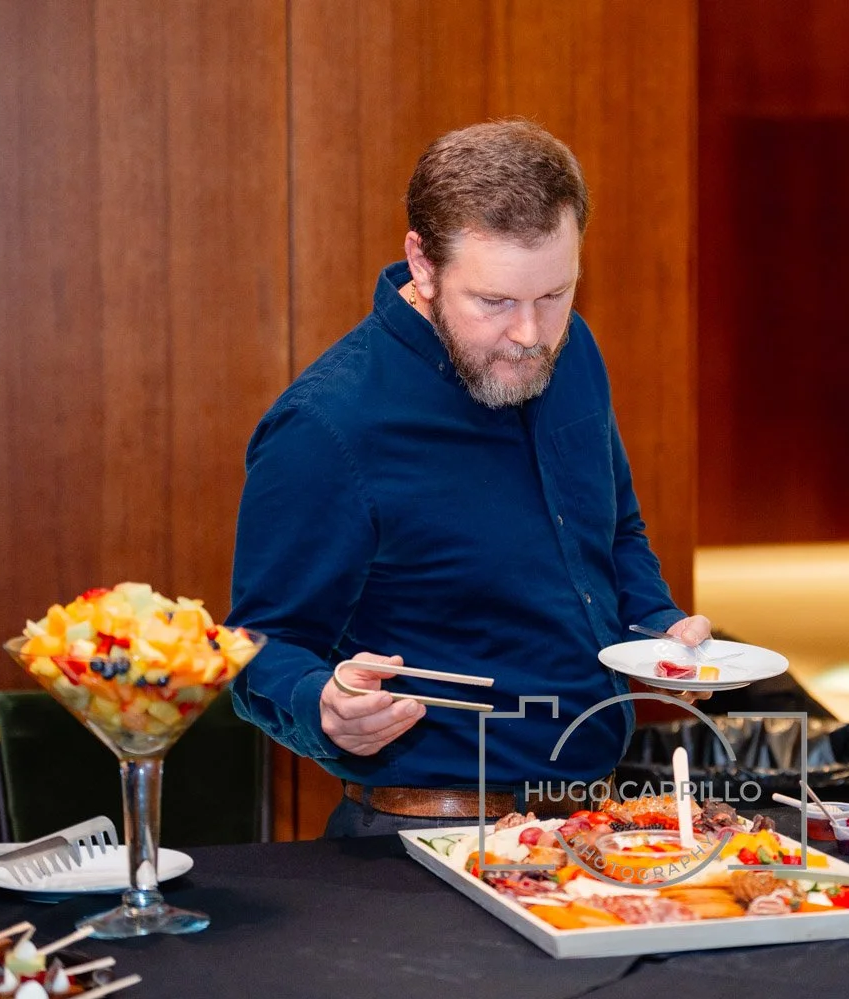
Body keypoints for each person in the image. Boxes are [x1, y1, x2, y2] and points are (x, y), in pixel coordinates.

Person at [226, 119, 710, 837]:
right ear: (422, 263)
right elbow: (255, 644)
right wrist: (319, 702)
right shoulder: (326, 427)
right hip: (424, 842)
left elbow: (615, 533)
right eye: (495, 303)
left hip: (591, 819)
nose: (529, 334)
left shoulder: (570, 352)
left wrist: (658, 622)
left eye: (555, 295)